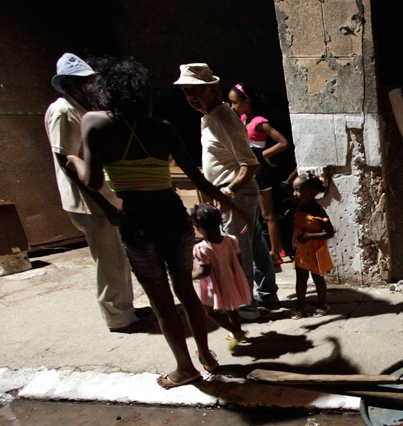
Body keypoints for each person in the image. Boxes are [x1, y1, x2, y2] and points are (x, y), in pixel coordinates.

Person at [66, 56, 228, 389]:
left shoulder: (94, 122)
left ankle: (186, 369)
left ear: (107, 92)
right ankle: (206, 354)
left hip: (139, 223)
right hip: (174, 218)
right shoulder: (162, 130)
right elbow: (197, 177)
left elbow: (94, 181)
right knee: (186, 291)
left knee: (161, 300)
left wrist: (73, 162)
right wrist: (229, 202)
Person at [44, 53, 152, 334]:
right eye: (89, 83)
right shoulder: (63, 111)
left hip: (102, 197)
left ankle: (123, 307)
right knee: (109, 260)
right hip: (90, 202)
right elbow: (65, 161)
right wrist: (103, 204)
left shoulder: (81, 110)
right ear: (72, 87)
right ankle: (119, 317)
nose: (95, 88)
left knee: (118, 255)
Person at [175, 63, 279, 320]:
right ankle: (268, 295)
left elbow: (250, 163)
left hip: (236, 195)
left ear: (213, 89)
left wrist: (228, 195)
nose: (191, 96)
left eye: (197, 89)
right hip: (235, 194)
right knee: (253, 243)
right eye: (187, 90)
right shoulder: (209, 117)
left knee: (237, 250)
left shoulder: (222, 117)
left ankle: (246, 305)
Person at [227, 83, 291, 265]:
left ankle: (276, 252)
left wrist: (264, 155)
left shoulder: (259, 123)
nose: (233, 107)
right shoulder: (243, 120)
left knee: (267, 213)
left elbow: (283, 142)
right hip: (246, 169)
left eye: (235, 103)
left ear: (246, 102)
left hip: (259, 172)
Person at [190, 204, 250, 350]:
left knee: (210, 312)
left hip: (214, 285)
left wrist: (188, 276)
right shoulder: (231, 240)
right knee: (231, 308)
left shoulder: (201, 248)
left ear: (199, 228)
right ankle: (236, 333)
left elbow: (204, 272)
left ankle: (237, 331)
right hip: (231, 280)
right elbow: (239, 261)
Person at [291, 172, 335, 319]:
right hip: (301, 251)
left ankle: (322, 304)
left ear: (312, 193)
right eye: (295, 190)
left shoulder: (318, 211)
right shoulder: (297, 208)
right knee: (301, 279)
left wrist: (309, 236)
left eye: (298, 190)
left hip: (315, 250)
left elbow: (329, 233)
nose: (295, 193)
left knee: (318, 279)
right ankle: (300, 306)